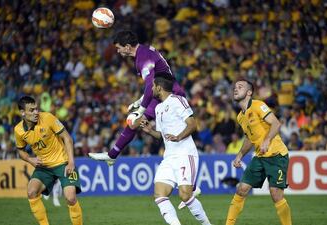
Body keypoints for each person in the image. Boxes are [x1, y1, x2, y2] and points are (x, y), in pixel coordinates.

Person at [88, 30, 185, 165]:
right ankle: (112, 155)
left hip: (171, 95)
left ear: (127, 47)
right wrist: (139, 101)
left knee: (175, 134)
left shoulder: (143, 58)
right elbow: (154, 83)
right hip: (161, 93)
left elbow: (151, 84)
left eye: (118, 48)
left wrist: (141, 109)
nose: (117, 51)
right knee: (133, 122)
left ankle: (189, 177)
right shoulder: (143, 53)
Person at [140, 73, 212, 225]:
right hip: (169, 157)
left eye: (153, 86)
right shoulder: (158, 108)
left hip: (185, 154)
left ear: (159, 87)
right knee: (159, 194)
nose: (151, 89)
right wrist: (150, 131)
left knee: (185, 195)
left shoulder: (178, 100)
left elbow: (192, 124)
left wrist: (179, 137)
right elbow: (163, 136)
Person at [225, 80, 292, 225]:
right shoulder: (240, 117)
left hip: (277, 155)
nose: (236, 89)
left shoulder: (258, 105)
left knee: (275, 193)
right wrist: (239, 155)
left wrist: (267, 140)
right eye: (235, 87)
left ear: (249, 92)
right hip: (260, 157)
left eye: (240, 87)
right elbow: (249, 138)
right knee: (241, 189)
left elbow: (276, 123)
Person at [14, 96, 82, 225]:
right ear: (22, 112)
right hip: (44, 167)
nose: (36, 112)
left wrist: (71, 162)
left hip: (63, 162)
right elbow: (20, 150)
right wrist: (30, 159)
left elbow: (67, 138)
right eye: (31, 110)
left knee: (71, 198)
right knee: (31, 192)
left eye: (36, 109)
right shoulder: (18, 130)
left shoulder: (48, 118)